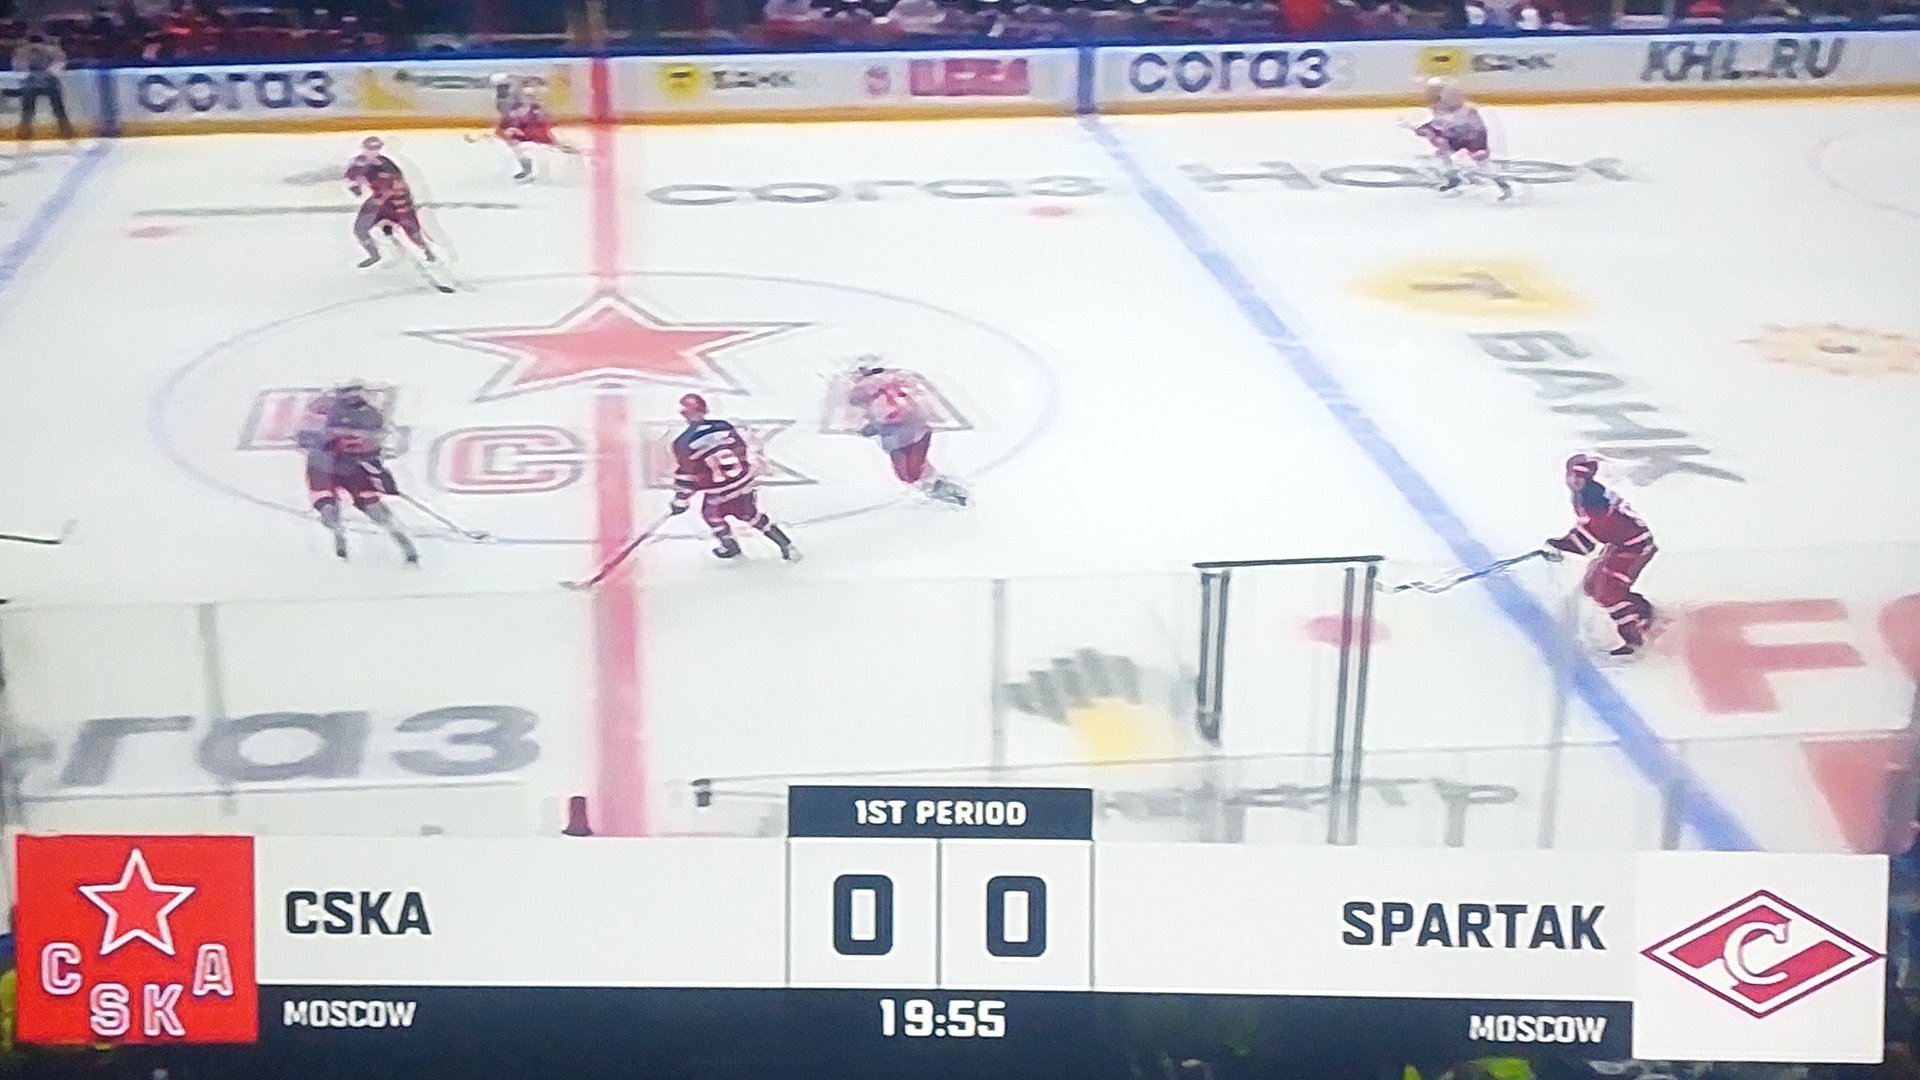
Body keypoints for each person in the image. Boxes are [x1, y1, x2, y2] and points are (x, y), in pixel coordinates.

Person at [1540, 454, 1655, 656]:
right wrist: (1563, 543)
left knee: (1608, 591)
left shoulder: (1595, 501)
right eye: (1573, 475)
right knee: (1593, 585)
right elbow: (1588, 528)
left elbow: (1587, 540)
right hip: (1620, 544)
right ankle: (1640, 610)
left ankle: (1634, 638)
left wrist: (1562, 545)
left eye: (1580, 477)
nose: (1575, 481)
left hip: (1634, 548)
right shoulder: (1586, 495)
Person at [295, 382, 419, 564]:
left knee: (374, 507)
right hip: (323, 466)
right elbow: (304, 436)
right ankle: (339, 547)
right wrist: (325, 444)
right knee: (327, 505)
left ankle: (406, 547)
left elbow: (373, 450)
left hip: (353, 468)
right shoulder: (324, 410)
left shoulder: (371, 415)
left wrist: (381, 475)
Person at [669, 394, 800, 562]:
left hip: (719, 491)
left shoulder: (683, 442)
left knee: (712, 516)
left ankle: (729, 546)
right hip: (742, 482)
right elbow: (741, 449)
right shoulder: (723, 426)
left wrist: (680, 500)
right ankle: (786, 545)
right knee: (751, 515)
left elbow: (688, 475)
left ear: (684, 414)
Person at [843, 358, 969, 507]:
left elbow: (908, 409)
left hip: (915, 434)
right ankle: (935, 485)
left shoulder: (896, 391)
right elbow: (863, 408)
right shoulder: (874, 399)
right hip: (896, 439)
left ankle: (939, 485)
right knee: (906, 474)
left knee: (913, 470)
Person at [1411, 78, 1512, 200]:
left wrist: (1427, 129)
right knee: (1443, 153)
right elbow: (1443, 122)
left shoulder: (1449, 102)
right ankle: (1454, 178)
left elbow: (1448, 121)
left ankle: (1503, 186)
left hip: (1470, 134)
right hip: (1462, 132)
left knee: (1480, 164)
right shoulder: (1440, 103)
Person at [344, 135, 434, 268]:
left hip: (397, 203)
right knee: (360, 228)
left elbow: (399, 186)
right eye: (369, 148)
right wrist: (355, 188)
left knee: (412, 231)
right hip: (378, 202)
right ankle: (374, 254)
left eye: (376, 149)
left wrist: (396, 203)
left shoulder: (387, 164)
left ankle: (426, 250)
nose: (372, 152)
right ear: (364, 148)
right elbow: (351, 179)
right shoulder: (359, 163)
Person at [12, 30, 73, 147]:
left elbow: (60, 63)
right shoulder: (22, 52)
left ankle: (67, 132)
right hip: (31, 84)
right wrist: (30, 74)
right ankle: (24, 134)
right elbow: (19, 66)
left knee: (58, 109)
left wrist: (48, 73)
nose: (36, 45)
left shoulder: (53, 51)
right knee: (28, 110)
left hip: (50, 83)